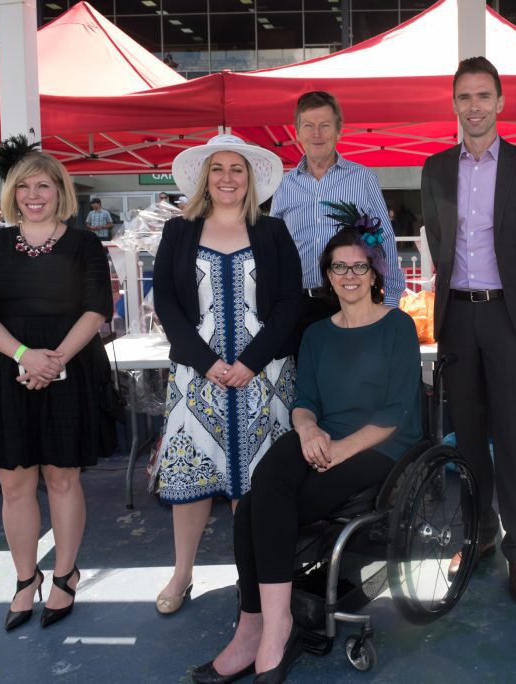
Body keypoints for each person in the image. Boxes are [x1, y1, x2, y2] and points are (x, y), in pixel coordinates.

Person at [193, 225, 421, 684]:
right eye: (340, 267)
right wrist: (309, 428)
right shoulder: (317, 333)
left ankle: (267, 631)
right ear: (328, 276)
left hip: (381, 447)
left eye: (359, 266)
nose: (350, 275)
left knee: (255, 511)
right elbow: (304, 401)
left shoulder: (398, 326)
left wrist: (339, 450)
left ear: (374, 274)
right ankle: (261, 627)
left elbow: (396, 411)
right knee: (263, 486)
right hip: (323, 436)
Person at [0, 141, 117, 631]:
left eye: (43, 185)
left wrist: (55, 360)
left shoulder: (85, 245)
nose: (33, 194)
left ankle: (66, 574)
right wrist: (25, 355)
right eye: (23, 186)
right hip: (7, 368)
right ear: (11, 194)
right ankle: (26, 580)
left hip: (69, 366)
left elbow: (96, 309)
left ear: (60, 191)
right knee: (14, 483)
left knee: (63, 477)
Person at [421, 56, 516, 604]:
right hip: (458, 316)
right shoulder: (435, 168)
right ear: (454, 104)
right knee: (470, 438)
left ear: (500, 102)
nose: (474, 107)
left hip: (507, 317)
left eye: (483, 96)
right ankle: (480, 535)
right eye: (464, 97)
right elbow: (439, 241)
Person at [152, 134, 302, 616]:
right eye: (217, 168)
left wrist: (251, 361)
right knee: (192, 475)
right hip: (198, 376)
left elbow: (290, 302)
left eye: (237, 169)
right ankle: (182, 572)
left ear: (250, 178)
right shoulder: (179, 231)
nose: (227, 178)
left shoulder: (273, 231)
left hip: (265, 374)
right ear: (205, 178)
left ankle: (251, 579)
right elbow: (165, 302)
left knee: (259, 481)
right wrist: (206, 362)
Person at [270, 90, 405, 339]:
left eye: (325, 125)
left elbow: (384, 238)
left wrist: (391, 301)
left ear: (338, 131)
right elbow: (272, 248)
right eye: (308, 126)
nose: (317, 133)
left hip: (352, 304)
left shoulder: (362, 178)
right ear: (297, 133)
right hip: (299, 307)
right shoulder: (283, 185)